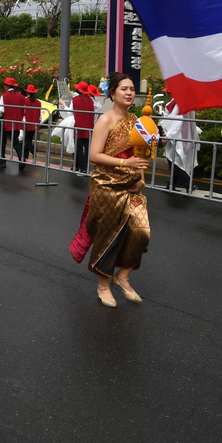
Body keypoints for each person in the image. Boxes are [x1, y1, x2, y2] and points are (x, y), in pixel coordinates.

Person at [76, 72, 150, 307]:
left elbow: (139, 154)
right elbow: (95, 155)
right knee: (109, 237)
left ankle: (123, 277)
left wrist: (141, 178)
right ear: (113, 93)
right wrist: (124, 164)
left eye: (132, 89)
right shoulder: (106, 120)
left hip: (130, 186)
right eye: (124, 89)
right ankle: (103, 285)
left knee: (141, 231)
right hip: (106, 186)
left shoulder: (135, 119)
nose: (129, 93)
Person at [71, 81, 96, 172]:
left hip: (78, 127)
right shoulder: (91, 101)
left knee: (78, 148)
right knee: (87, 148)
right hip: (89, 127)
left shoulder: (75, 100)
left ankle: (82, 167)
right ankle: (84, 165)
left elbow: (69, 112)